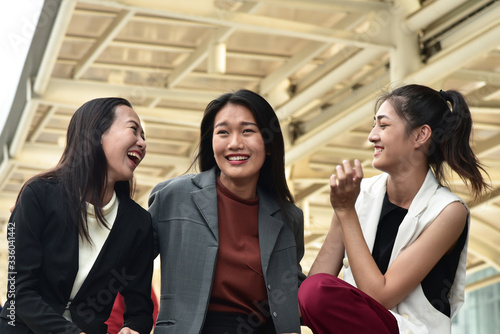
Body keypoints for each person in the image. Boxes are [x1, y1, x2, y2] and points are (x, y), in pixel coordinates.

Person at [298, 84, 490, 334]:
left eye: (383, 125)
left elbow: (380, 296)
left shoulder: (448, 211)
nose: (372, 136)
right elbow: (309, 297)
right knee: (313, 289)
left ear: (421, 135)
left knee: (317, 289)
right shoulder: (358, 194)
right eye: (373, 125)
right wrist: (344, 208)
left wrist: (346, 211)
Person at [148, 89, 305, 334]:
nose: (234, 143)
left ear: (269, 144)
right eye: (222, 132)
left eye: (248, 131)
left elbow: (292, 290)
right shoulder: (173, 196)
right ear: (211, 143)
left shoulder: (289, 218)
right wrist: (133, 321)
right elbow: (131, 265)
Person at [0, 97, 154, 334]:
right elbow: (20, 293)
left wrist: (133, 328)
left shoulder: (138, 224)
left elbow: (140, 310)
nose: (142, 143)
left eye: (144, 136)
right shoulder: (38, 195)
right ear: (95, 134)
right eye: (134, 130)